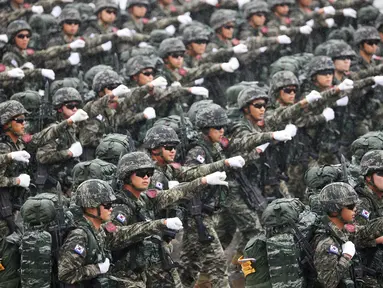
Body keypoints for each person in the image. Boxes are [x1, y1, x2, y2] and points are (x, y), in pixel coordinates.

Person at [110, 151, 229, 287]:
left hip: (149, 266)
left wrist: (204, 181)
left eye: (149, 173)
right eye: (141, 173)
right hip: (127, 276)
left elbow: (174, 193)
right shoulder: (120, 208)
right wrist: (160, 224)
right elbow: (115, 238)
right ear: (126, 176)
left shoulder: (143, 199)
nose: (147, 177)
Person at [58, 179, 181, 286]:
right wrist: (97, 268)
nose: (111, 208)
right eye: (107, 205)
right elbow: (66, 274)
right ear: (91, 207)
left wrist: (162, 223)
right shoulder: (80, 236)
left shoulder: (99, 229)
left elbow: (131, 231)